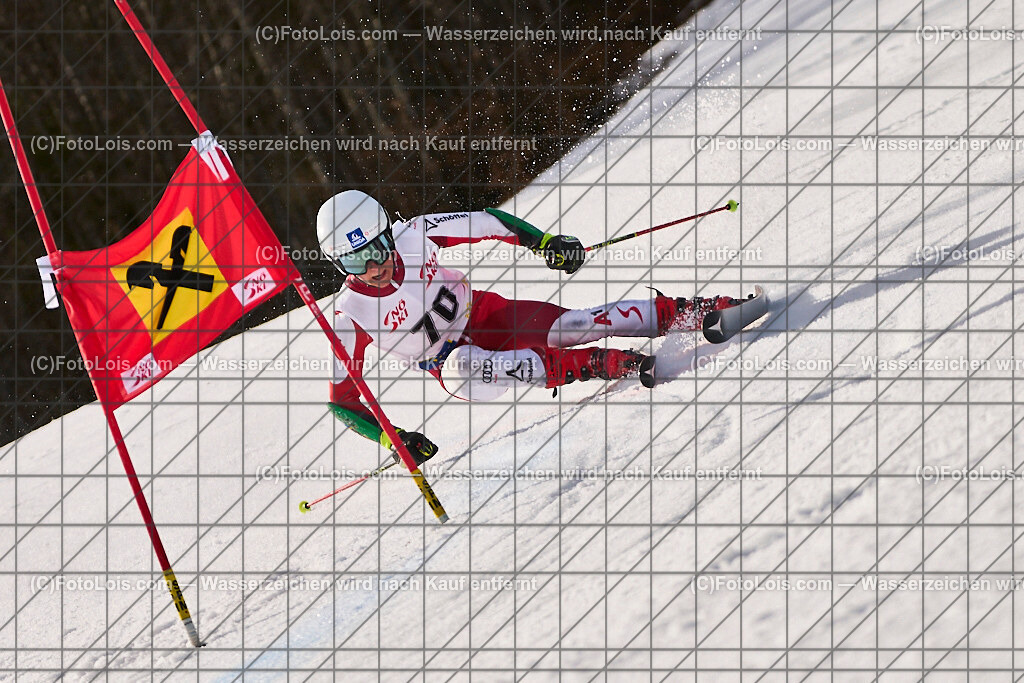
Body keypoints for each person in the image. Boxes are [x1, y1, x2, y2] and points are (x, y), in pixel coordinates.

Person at [318, 190, 740, 465]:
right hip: (452, 364)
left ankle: (695, 311)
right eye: (356, 261)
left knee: (577, 323)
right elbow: (341, 401)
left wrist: (544, 242)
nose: (373, 267)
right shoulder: (350, 314)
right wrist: (393, 440)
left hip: (487, 315)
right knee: (467, 365)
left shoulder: (415, 233)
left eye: (375, 249)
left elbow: (489, 223)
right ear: (341, 265)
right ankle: (601, 365)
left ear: (387, 234)